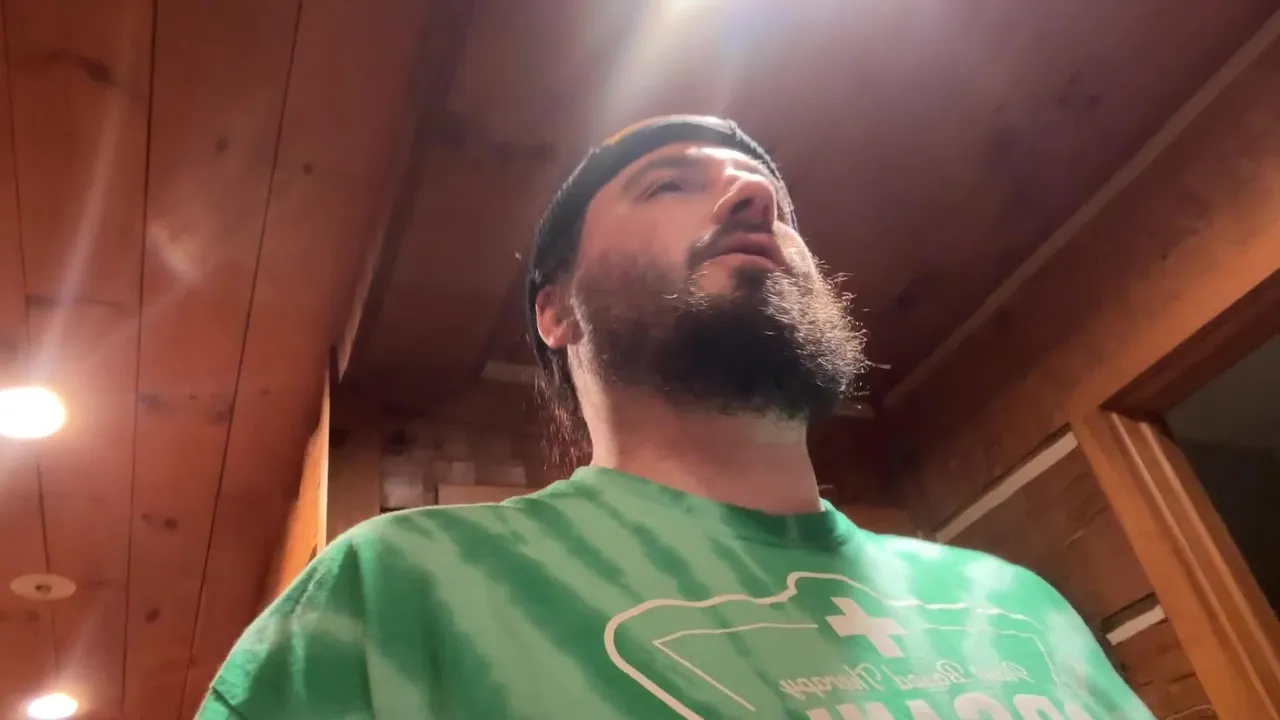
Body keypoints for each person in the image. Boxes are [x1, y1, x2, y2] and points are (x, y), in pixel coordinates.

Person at [198, 116, 1153, 719]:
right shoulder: (399, 591)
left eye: (774, 201)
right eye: (669, 183)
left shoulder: (1014, 607)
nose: (757, 196)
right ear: (556, 311)